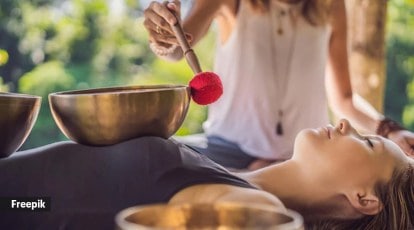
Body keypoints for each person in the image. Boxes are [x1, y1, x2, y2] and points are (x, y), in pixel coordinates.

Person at [143, 0, 414, 170]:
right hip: (227, 152)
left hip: (305, 160)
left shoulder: (331, 5)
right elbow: (178, 47)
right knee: (148, 158)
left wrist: (391, 132)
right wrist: (163, 34)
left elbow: (344, 99)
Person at [0, 119, 412, 229]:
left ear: (365, 199)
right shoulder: (235, 178)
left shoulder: (253, 207)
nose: (344, 124)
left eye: (367, 142)